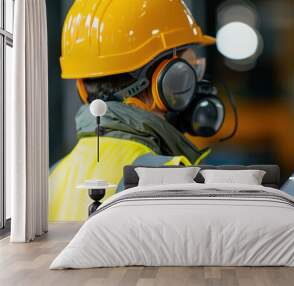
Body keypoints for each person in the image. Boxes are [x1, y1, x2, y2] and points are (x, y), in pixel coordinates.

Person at [49, 0, 229, 221]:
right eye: (191, 70)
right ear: (169, 82)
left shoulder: (53, 177)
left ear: (82, 87)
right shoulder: (172, 180)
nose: (197, 84)